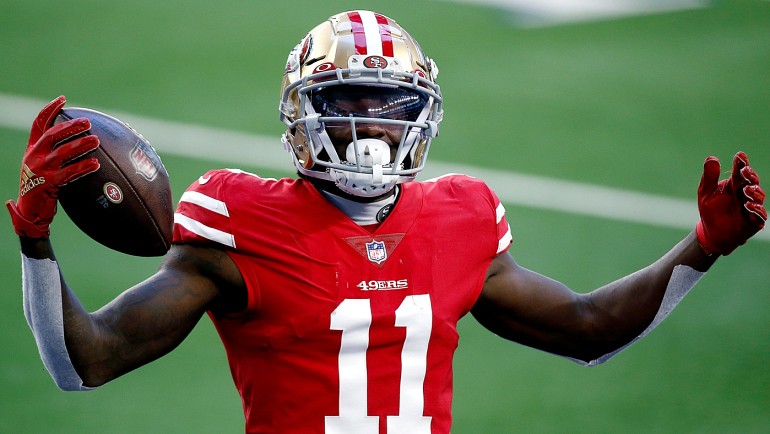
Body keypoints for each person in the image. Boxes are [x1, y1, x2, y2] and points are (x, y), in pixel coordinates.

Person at [6, 9, 766, 434]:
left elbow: (588, 330)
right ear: (301, 115)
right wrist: (36, 242)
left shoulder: (462, 217)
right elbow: (86, 363)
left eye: (390, 105)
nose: (370, 125)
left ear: (422, 116)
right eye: (346, 103)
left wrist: (702, 247)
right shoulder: (239, 223)